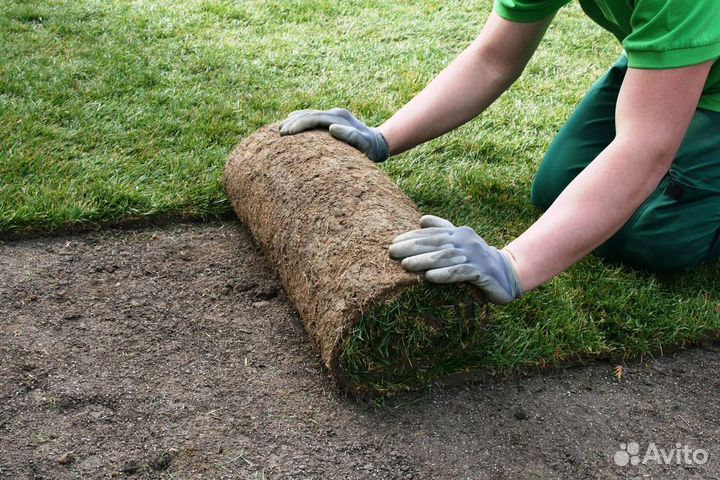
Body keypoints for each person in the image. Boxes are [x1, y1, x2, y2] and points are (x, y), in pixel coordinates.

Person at [280, 0, 720, 305]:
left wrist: (515, 265)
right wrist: (384, 137)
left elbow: (643, 147)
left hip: (699, 65)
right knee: (558, 189)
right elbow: (493, 58)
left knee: (655, 239)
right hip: (676, 61)